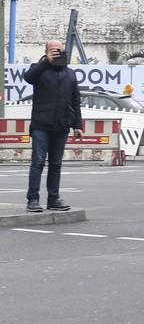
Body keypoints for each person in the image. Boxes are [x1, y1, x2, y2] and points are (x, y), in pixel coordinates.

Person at [24, 40, 82, 213]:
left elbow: (76, 101)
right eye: (52, 50)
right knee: (38, 162)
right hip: (41, 124)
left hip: (61, 125)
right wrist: (44, 62)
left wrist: (77, 125)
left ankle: (53, 199)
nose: (56, 53)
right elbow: (28, 78)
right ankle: (33, 200)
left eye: (59, 50)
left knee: (56, 164)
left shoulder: (70, 74)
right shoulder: (39, 70)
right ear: (46, 52)